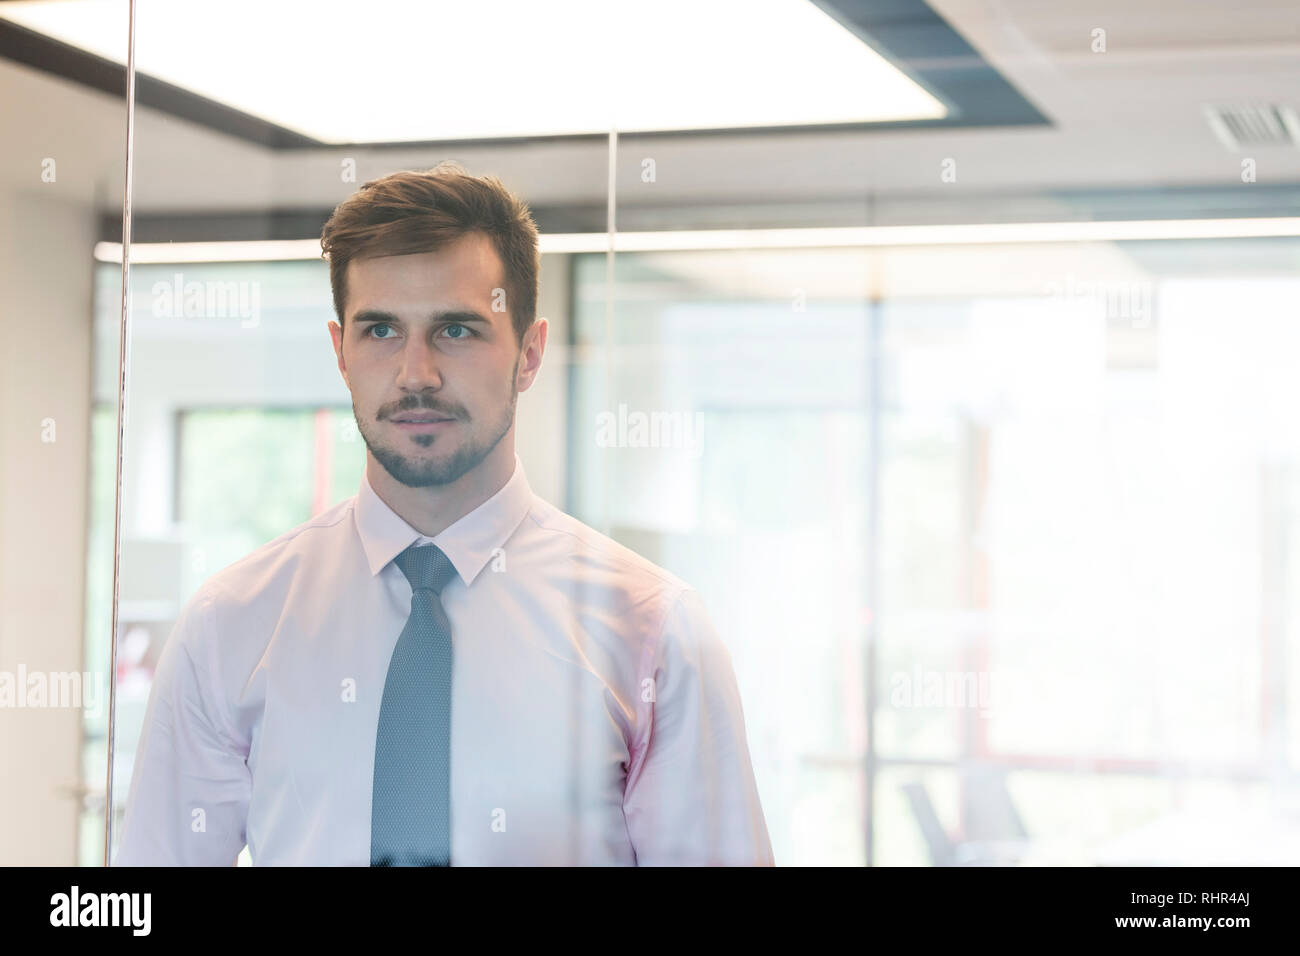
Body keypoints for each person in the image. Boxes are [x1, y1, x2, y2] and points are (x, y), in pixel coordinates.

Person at [113, 162, 773, 866]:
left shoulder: (652, 632)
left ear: (529, 352)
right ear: (340, 352)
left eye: (456, 330)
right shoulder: (233, 623)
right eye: (381, 331)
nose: (416, 373)